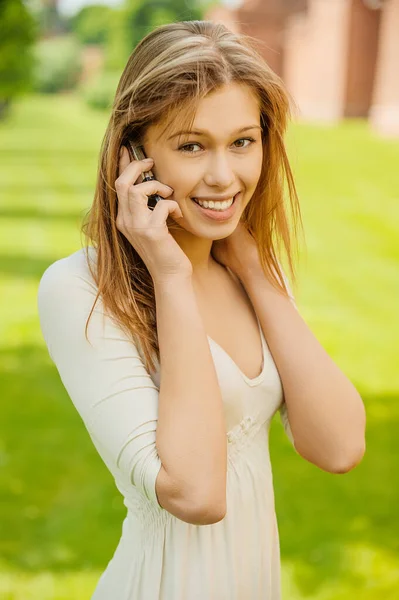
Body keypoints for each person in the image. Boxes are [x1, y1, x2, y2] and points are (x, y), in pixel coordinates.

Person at [37, 20, 366, 600]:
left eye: (242, 141)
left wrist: (260, 276)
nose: (223, 176)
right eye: (192, 146)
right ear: (133, 155)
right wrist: (171, 275)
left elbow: (338, 447)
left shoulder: (250, 271)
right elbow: (195, 494)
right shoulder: (78, 290)